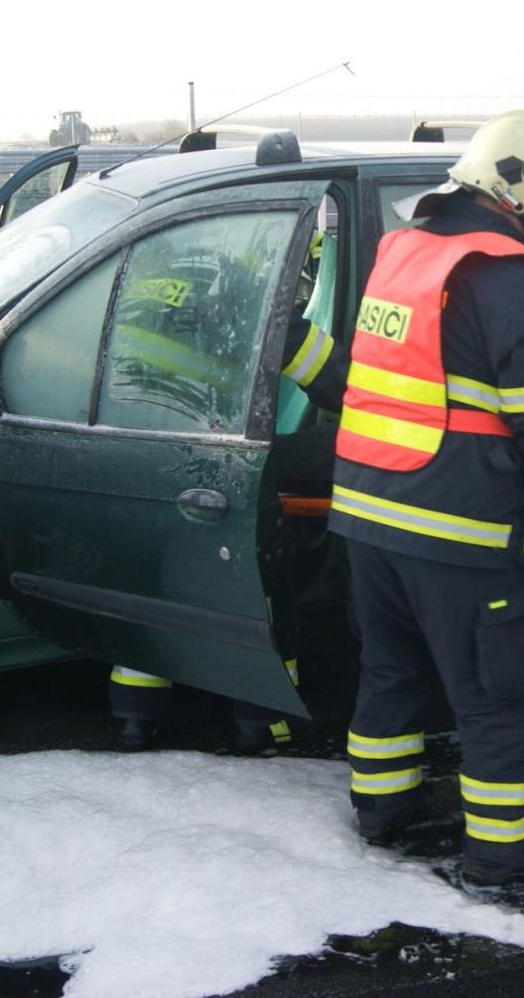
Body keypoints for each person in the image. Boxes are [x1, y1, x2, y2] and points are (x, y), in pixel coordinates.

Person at [330, 109, 524, 886]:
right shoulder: (508, 270)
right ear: (518, 188)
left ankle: (384, 812)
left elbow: (449, 376)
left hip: (371, 514)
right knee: (504, 691)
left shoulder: (404, 250)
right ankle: (506, 857)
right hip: (460, 525)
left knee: (391, 671)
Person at [110, 302, 349, 754]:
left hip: (145, 456)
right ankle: (261, 723)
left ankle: (134, 720)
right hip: (223, 465)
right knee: (260, 595)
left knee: (154, 587)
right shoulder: (247, 295)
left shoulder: (142, 289)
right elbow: (330, 374)